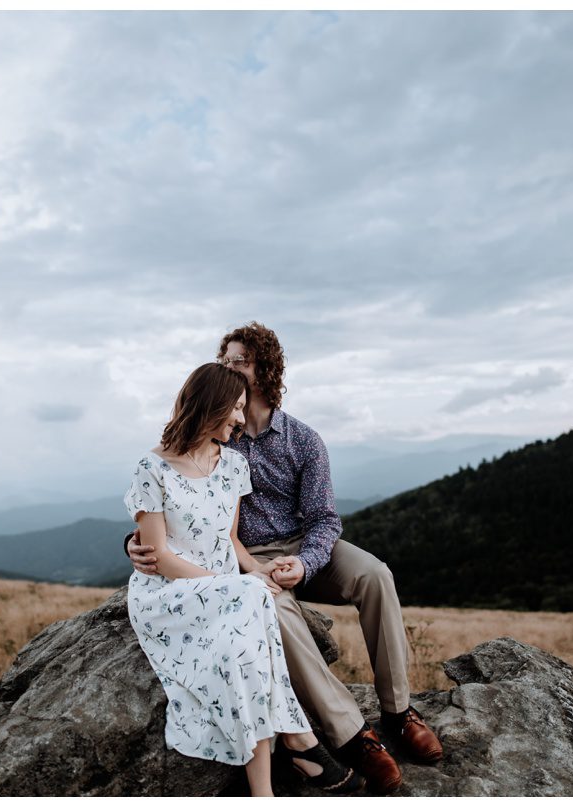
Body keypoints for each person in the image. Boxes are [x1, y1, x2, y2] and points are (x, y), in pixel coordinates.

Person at [126, 322, 444, 794]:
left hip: (304, 546)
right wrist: (135, 544)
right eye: (225, 360)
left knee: (376, 575)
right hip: (247, 556)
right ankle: (353, 734)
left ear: (266, 370)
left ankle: (398, 711)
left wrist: (307, 562)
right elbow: (179, 503)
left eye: (239, 361)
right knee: (271, 606)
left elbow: (325, 519)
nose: (228, 367)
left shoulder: (301, 440)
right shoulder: (218, 431)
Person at [123, 362, 363, 797]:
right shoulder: (151, 467)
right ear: (209, 405)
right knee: (252, 603)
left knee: (242, 651)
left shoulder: (233, 465)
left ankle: (268, 784)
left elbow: (230, 539)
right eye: (233, 408)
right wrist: (232, 584)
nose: (239, 417)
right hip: (170, 594)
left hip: (228, 591)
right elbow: (160, 557)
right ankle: (299, 742)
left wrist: (257, 570)